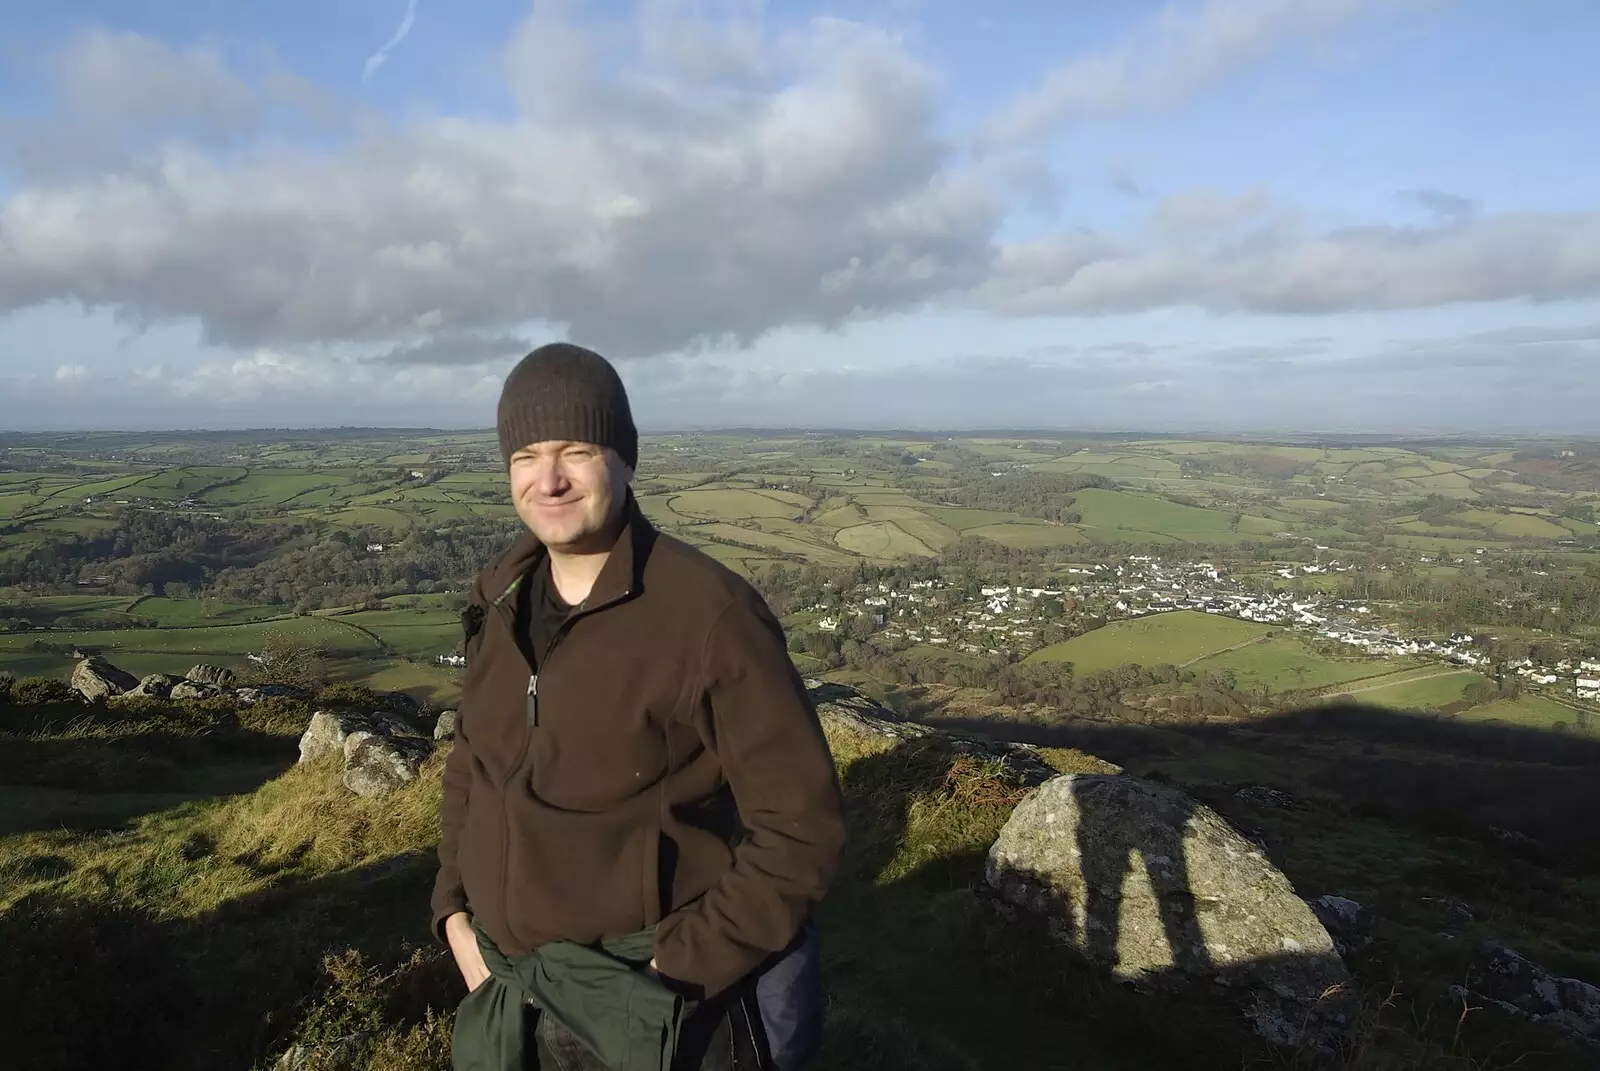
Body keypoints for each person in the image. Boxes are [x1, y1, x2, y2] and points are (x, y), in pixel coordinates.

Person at [431, 343, 848, 1071]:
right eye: (526, 455)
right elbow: (474, 763)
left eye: (577, 450)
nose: (549, 479)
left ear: (624, 458)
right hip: (511, 991)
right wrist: (455, 918)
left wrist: (671, 974)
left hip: (652, 1004)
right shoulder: (499, 599)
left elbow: (802, 830)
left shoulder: (709, 615)